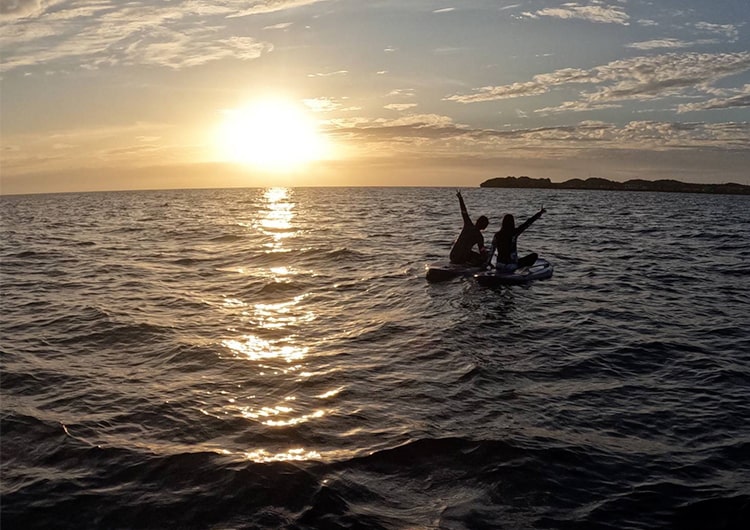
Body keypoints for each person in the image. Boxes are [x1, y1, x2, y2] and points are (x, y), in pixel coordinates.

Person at [449, 190, 489, 265]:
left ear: (477, 221)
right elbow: (482, 250)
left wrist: (460, 198)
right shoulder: (479, 237)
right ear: (484, 227)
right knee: (482, 258)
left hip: (453, 255)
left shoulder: (468, 224)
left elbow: (464, 211)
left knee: (470, 252)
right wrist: (487, 256)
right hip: (461, 259)